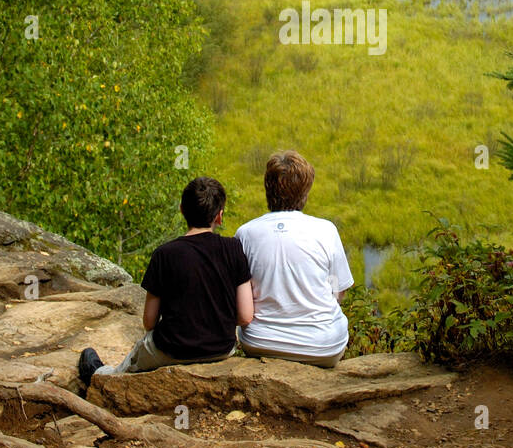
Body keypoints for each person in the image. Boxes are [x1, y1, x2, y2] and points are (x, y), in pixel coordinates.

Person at [78, 176, 252, 386]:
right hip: (221, 349)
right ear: (219, 217)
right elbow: (245, 316)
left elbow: (149, 321)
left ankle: (101, 377)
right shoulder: (234, 248)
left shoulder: (164, 254)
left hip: (171, 349)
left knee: (125, 367)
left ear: (181, 210)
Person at [234, 151, 354, 368]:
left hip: (260, 342)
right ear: (305, 191)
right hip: (323, 347)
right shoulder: (326, 230)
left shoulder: (245, 233)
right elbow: (338, 293)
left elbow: (239, 297)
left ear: (267, 189)